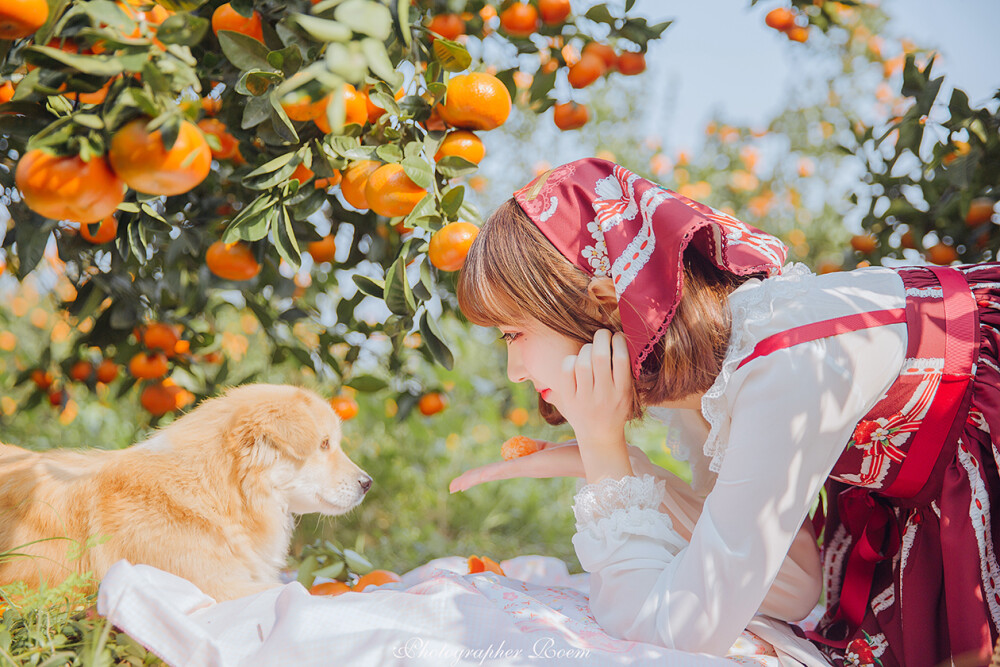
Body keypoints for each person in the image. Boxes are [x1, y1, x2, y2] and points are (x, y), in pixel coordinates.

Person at [450, 157, 1000, 667]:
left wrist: (602, 447)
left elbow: (676, 630)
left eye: (513, 333)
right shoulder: (709, 374)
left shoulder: (777, 365)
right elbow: (793, 585)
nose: (514, 370)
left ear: (595, 303)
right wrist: (628, 468)